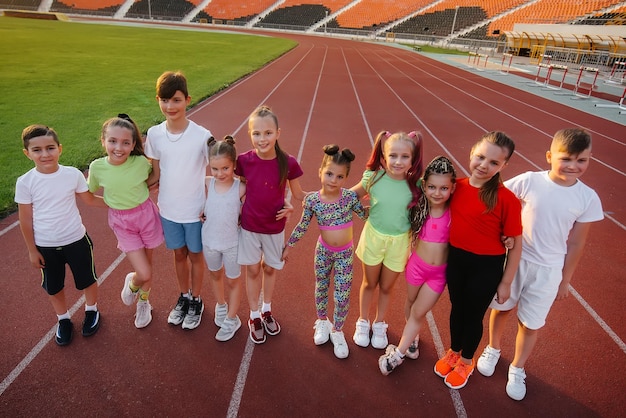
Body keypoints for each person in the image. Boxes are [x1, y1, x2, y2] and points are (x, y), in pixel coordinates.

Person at [476, 128, 603, 400]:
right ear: (549, 156)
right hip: (515, 261)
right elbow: (498, 200)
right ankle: (493, 348)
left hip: (548, 271)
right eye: (566, 158)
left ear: (590, 159)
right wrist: (503, 234)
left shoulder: (588, 198)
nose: (573, 166)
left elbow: (577, 243)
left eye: (582, 160)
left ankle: (517, 367)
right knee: (501, 308)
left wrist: (565, 279)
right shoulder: (530, 181)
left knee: (531, 325)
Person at [434, 131, 523, 390]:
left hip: (486, 266)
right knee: (456, 308)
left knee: (473, 315)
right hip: (456, 259)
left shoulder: (506, 199)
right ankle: (453, 350)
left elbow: (515, 245)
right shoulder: (455, 187)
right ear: (472, 152)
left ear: (504, 166)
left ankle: (466, 361)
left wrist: (506, 282)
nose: (484, 165)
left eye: (494, 163)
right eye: (481, 157)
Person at [15, 125, 103, 346]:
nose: (45, 154)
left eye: (50, 148)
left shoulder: (72, 174)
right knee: (54, 286)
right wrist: (32, 250)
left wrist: (121, 204)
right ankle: (63, 319)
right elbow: (25, 219)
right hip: (45, 246)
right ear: (27, 153)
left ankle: (91, 310)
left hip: (76, 240)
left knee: (87, 279)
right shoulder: (25, 182)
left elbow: (90, 200)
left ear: (60, 149)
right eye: (37, 150)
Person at [283, 145, 368, 358]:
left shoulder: (349, 198)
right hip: (323, 252)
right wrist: (288, 246)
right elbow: (302, 226)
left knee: (342, 295)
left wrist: (382, 207)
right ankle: (322, 321)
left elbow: (365, 215)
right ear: (320, 171)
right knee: (321, 286)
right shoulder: (312, 200)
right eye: (329, 173)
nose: (333, 180)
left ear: (346, 178)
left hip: (344, 255)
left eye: (339, 176)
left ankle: (337, 330)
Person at [145, 71, 212, 330]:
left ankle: (196, 299)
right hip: (169, 210)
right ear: (158, 100)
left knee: (196, 255)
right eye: (164, 100)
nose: (170, 106)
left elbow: (219, 170)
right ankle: (183, 296)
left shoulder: (202, 135)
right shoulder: (154, 134)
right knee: (178, 254)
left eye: (176, 100)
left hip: (195, 211)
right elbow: (156, 174)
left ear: (187, 100)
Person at [379, 156, 456, 374]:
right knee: (411, 303)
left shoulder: (454, 212)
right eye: (432, 187)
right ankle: (412, 337)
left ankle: (398, 355)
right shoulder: (418, 207)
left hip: (438, 275)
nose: (437, 193)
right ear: (424, 185)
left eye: (443, 188)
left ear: (452, 188)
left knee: (418, 313)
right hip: (416, 267)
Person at [236, 105, 307, 344]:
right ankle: (254, 315)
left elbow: (299, 195)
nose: (262, 138)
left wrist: (293, 205)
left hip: (274, 228)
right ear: (250, 134)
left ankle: (267, 309)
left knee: (269, 269)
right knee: (253, 269)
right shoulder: (244, 161)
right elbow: (240, 189)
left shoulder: (288, 162)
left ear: (278, 133)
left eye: (268, 133)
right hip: (249, 226)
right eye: (256, 133)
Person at [87, 114, 163, 329]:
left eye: (125, 142)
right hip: (122, 223)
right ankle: (132, 283)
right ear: (103, 141)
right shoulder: (97, 167)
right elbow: (89, 195)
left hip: (146, 217)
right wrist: (112, 204)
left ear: (133, 145)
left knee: (149, 266)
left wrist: (145, 189)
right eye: (112, 141)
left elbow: (152, 176)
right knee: (144, 272)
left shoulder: (140, 162)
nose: (118, 147)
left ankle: (144, 302)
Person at [352, 130, 424, 350]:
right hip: (373, 237)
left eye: (404, 157)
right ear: (384, 155)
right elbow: (348, 195)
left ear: (413, 159)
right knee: (369, 283)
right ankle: (363, 321)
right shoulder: (373, 178)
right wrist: (320, 197)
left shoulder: (416, 185)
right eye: (393, 155)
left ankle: (380, 322)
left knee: (386, 287)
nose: (398, 161)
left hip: (399, 243)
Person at [202, 136, 246, 342]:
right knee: (214, 275)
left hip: (232, 244)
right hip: (209, 242)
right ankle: (221, 305)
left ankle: (232, 318)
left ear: (234, 165)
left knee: (233, 280)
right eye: (215, 169)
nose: (220, 174)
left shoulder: (241, 187)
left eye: (225, 168)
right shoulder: (206, 184)